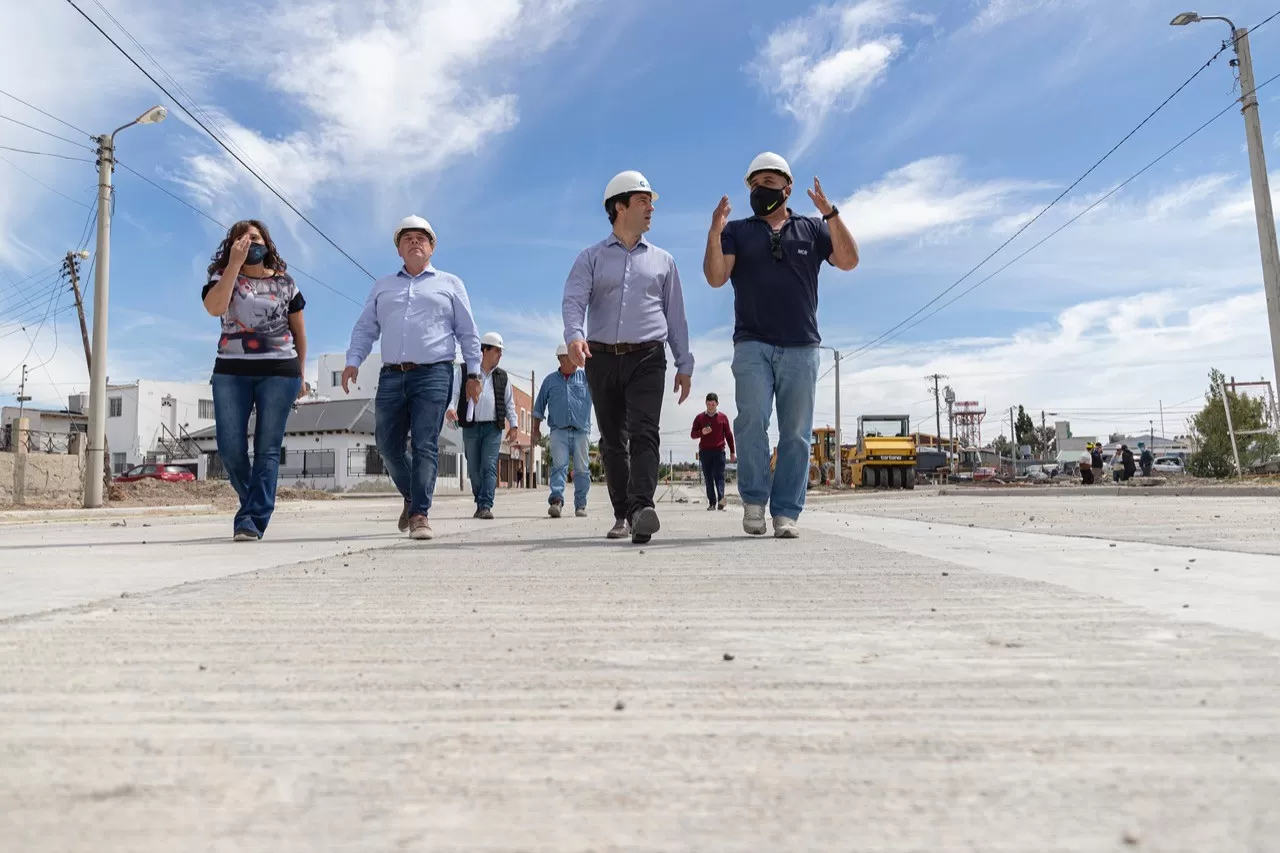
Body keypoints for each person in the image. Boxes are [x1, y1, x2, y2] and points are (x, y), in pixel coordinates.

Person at [702, 152, 859, 539]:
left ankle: (786, 511)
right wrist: (714, 231)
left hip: (801, 346)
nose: (760, 190)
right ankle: (755, 502)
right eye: (754, 185)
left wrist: (830, 214)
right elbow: (716, 277)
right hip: (752, 345)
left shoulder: (812, 229)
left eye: (768, 184)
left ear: (787, 189)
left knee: (796, 433)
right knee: (752, 423)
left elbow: (849, 260)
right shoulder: (737, 231)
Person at [562, 170, 694, 544]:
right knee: (612, 441)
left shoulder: (664, 261)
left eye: (651, 202)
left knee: (644, 433)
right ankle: (623, 513)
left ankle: (641, 509)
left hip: (648, 357)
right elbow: (573, 301)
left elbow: (676, 316)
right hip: (601, 358)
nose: (651, 208)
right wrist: (574, 336)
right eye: (643, 201)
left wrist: (684, 363)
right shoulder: (590, 258)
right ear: (620, 207)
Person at [343, 216, 481, 540]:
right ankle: (411, 495)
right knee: (386, 444)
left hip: (434, 374)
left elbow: (468, 332)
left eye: (422, 238)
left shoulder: (450, 284)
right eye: (407, 238)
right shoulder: (383, 286)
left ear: (432, 248)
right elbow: (366, 328)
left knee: (424, 443)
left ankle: (420, 513)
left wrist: (474, 373)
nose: (415, 242)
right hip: (392, 376)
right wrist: (353, 360)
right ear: (398, 250)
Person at [202, 220, 308, 543]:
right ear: (233, 244)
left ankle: (252, 519)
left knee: (267, 448)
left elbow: (299, 332)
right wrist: (234, 265)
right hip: (231, 371)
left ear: (267, 243)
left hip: (280, 371)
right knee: (230, 447)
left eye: (256, 237)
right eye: (243, 238)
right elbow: (214, 308)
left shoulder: (286, 283)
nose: (250, 242)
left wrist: (302, 375)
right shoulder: (221, 276)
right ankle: (254, 502)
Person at [446, 332, 519, 519]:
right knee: (473, 469)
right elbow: (454, 393)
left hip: (492, 428)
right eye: (497, 351)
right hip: (470, 427)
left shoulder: (503, 377)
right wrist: (451, 408)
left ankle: (485, 504)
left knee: (489, 466)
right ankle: (480, 501)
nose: (500, 355)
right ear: (485, 350)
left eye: (501, 352)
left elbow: (509, 403)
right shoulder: (465, 371)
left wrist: (514, 425)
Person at [532, 343, 593, 518]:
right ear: (561, 359)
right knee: (559, 466)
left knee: (582, 469)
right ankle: (556, 501)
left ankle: (580, 504)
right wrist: (535, 430)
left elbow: (602, 398)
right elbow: (539, 408)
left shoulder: (586, 378)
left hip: (581, 431)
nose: (576, 361)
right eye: (572, 358)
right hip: (558, 431)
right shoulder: (550, 381)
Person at [691, 392, 735, 510]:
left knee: (719, 477)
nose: (711, 406)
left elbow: (729, 435)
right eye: (709, 404)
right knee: (708, 478)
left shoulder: (723, 418)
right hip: (705, 452)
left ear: (717, 404)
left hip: (719, 452)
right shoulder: (700, 418)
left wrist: (732, 451)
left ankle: (721, 502)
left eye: (713, 404)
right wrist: (701, 432)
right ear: (705, 403)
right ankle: (712, 503)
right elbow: (693, 434)